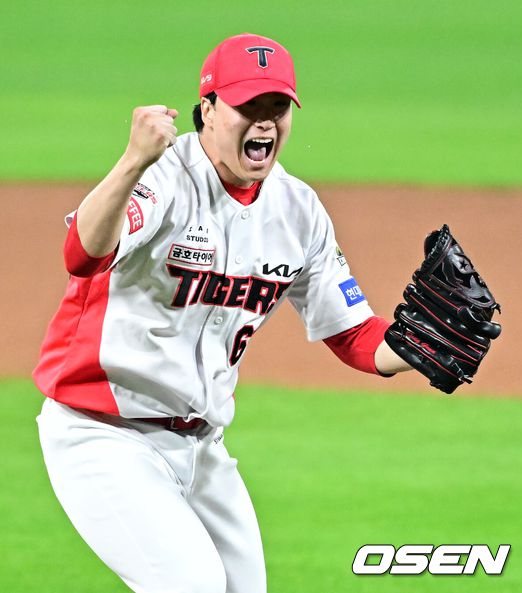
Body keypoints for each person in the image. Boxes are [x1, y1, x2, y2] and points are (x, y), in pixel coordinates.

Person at [34, 33, 411, 593]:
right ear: (207, 110)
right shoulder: (163, 176)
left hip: (201, 447)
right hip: (103, 435)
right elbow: (82, 255)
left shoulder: (299, 210)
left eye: (277, 107)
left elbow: (354, 334)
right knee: (192, 585)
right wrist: (133, 160)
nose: (265, 123)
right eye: (247, 107)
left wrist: (417, 347)